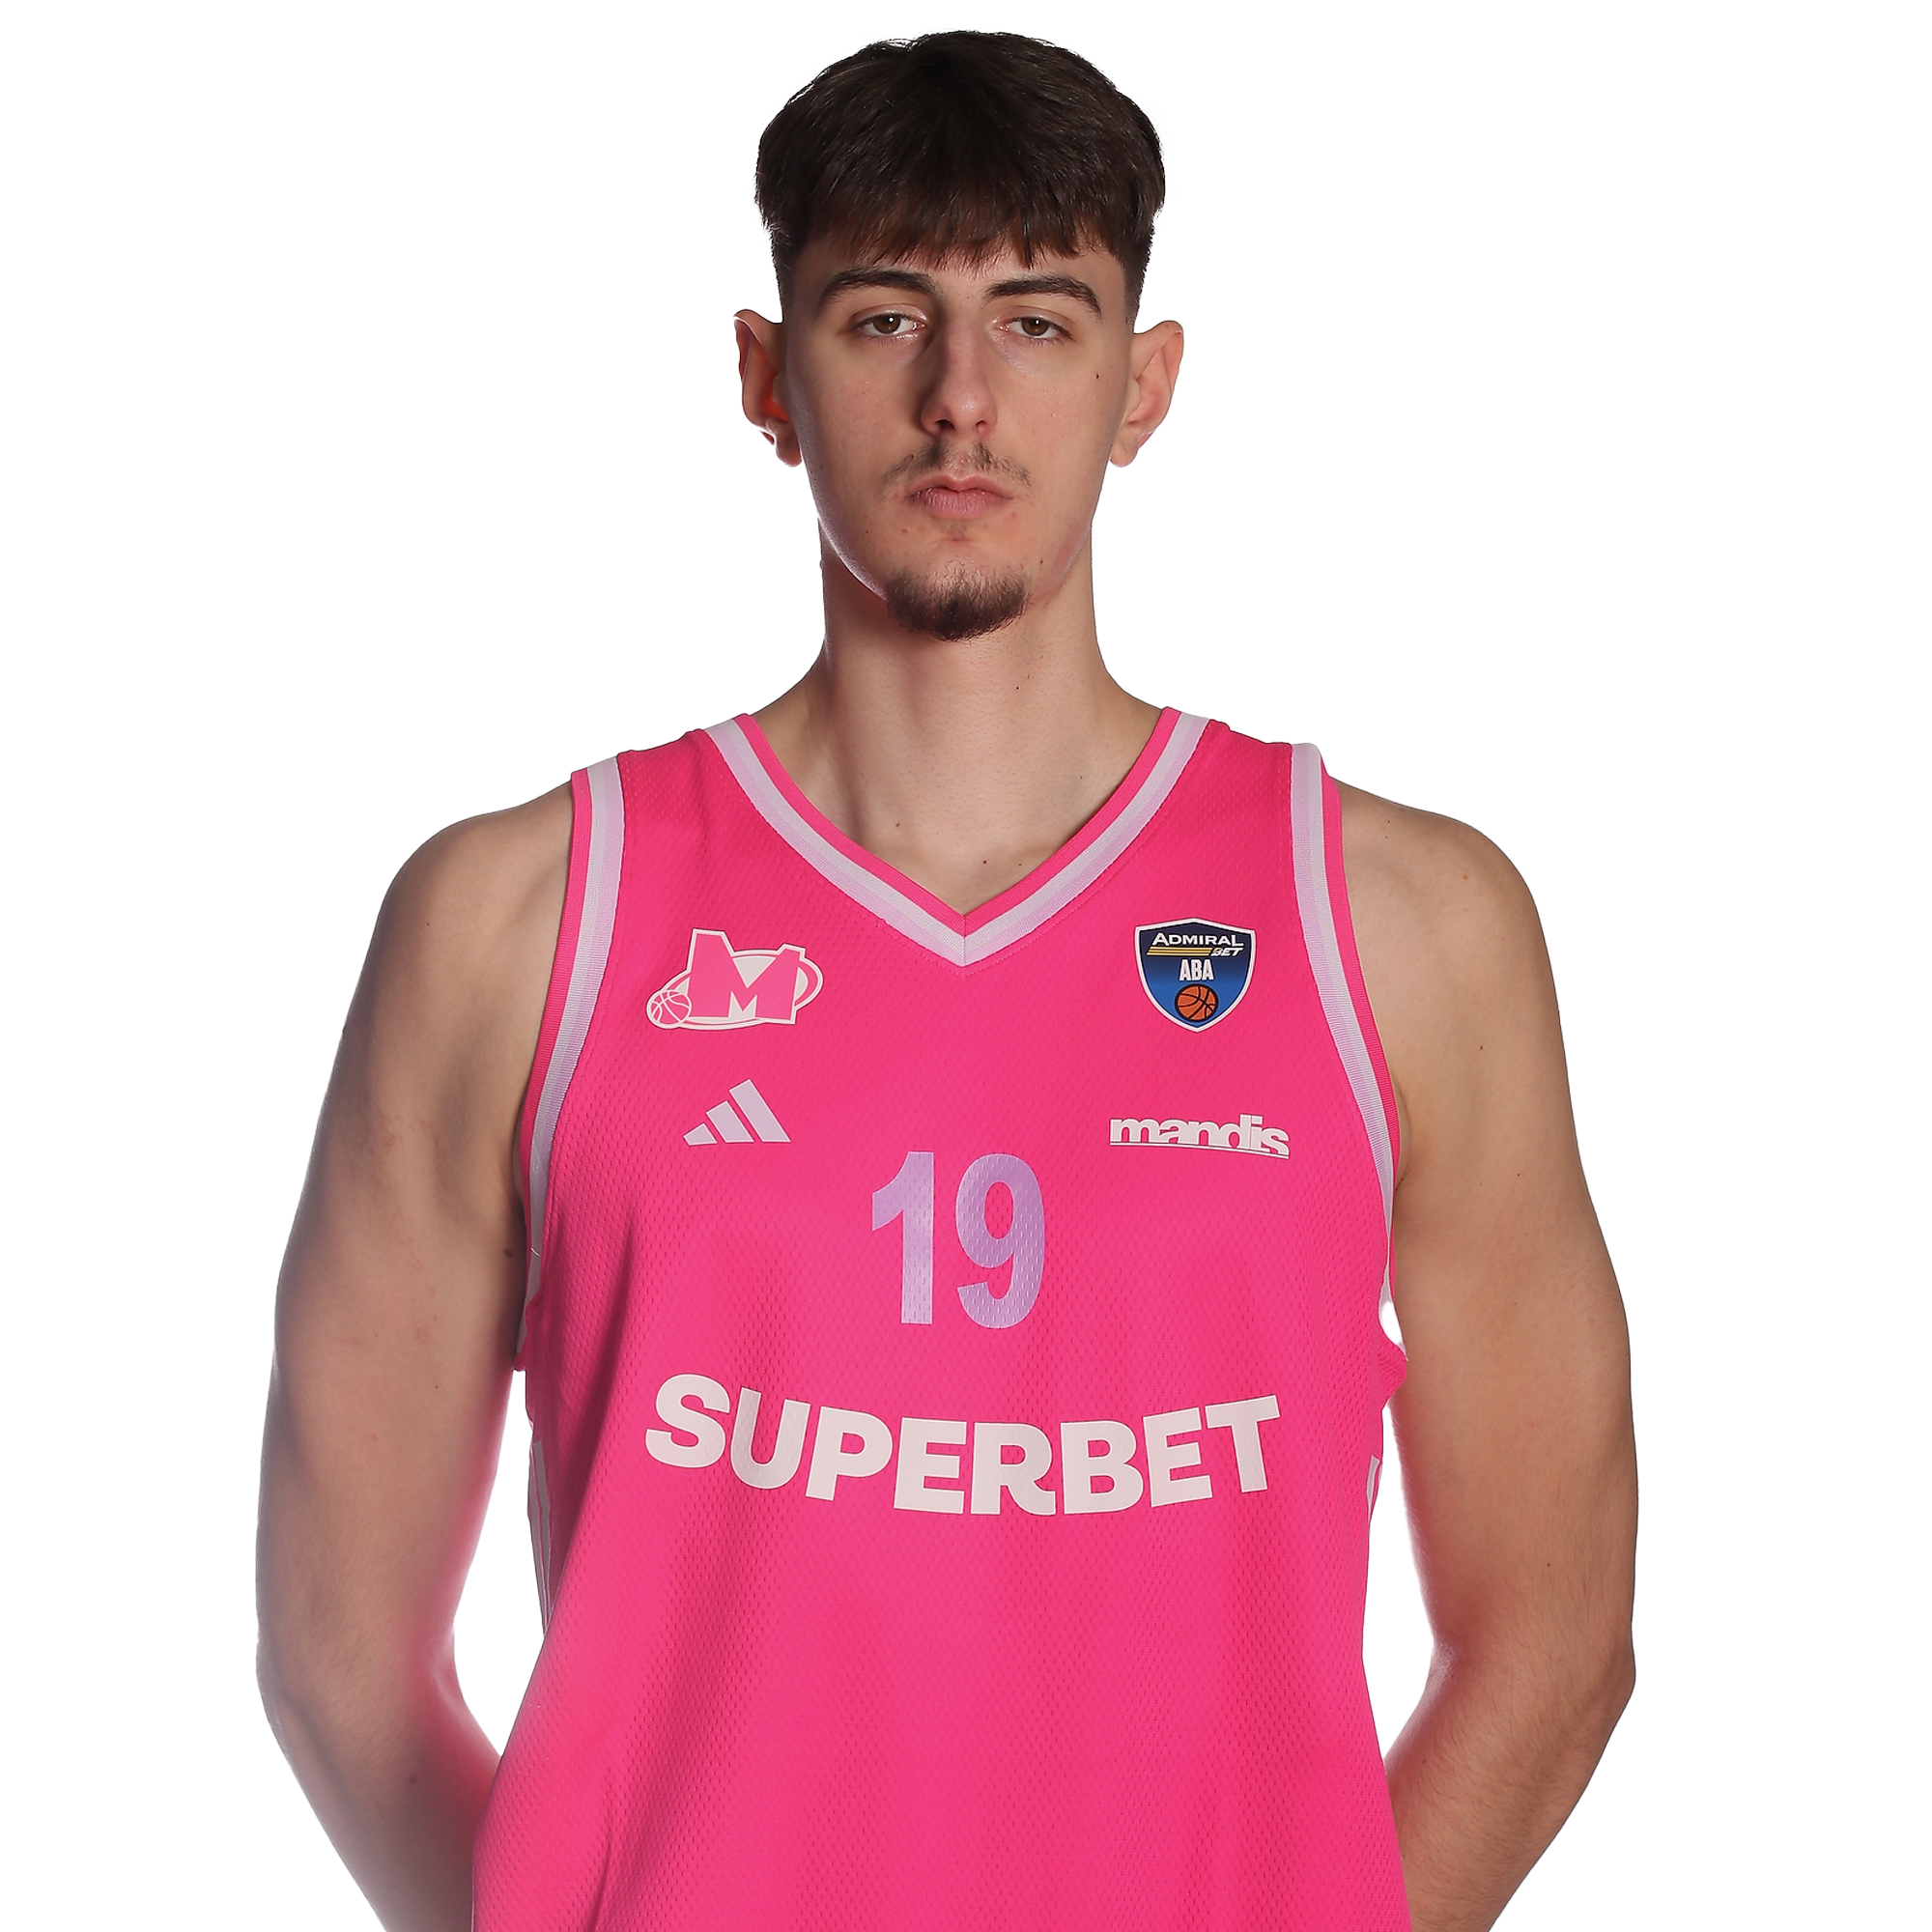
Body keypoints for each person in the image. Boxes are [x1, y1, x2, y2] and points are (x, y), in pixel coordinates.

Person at [258, 29, 1635, 1932]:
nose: (962, 400)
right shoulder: (517, 922)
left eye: (1041, 321)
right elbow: (337, 1646)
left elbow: (1552, 1638)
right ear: (770, 376)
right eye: (886, 317)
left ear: (1144, 383)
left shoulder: (1399, 925)